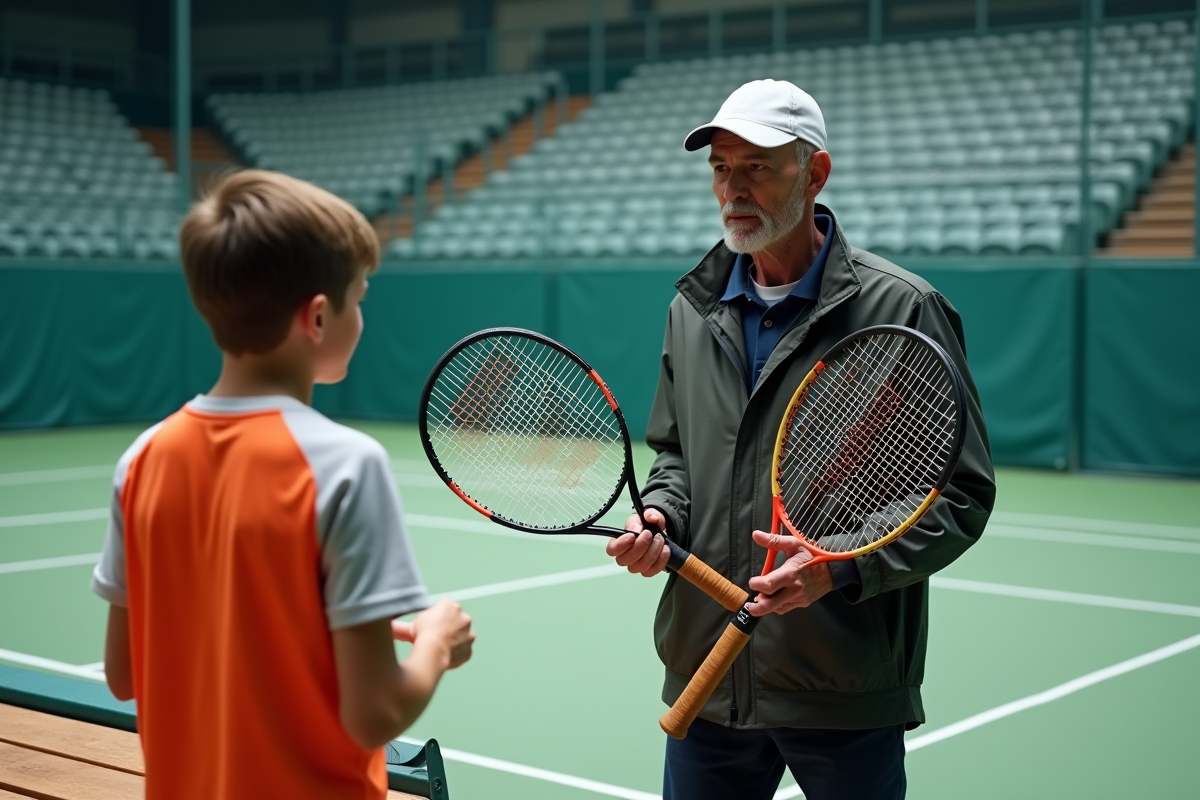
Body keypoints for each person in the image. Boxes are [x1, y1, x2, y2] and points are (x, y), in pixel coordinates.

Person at [605, 80, 995, 799]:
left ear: (815, 173)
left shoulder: (904, 309)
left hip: (839, 684)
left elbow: (959, 496)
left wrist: (836, 567)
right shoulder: (691, 310)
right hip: (710, 673)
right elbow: (676, 455)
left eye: (758, 166)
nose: (734, 188)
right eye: (722, 167)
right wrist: (662, 514)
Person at [91, 170, 475, 800]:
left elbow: (123, 674)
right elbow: (374, 714)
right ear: (318, 317)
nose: (362, 314)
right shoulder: (347, 464)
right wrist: (435, 644)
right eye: (359, 296)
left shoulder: (142, 459)